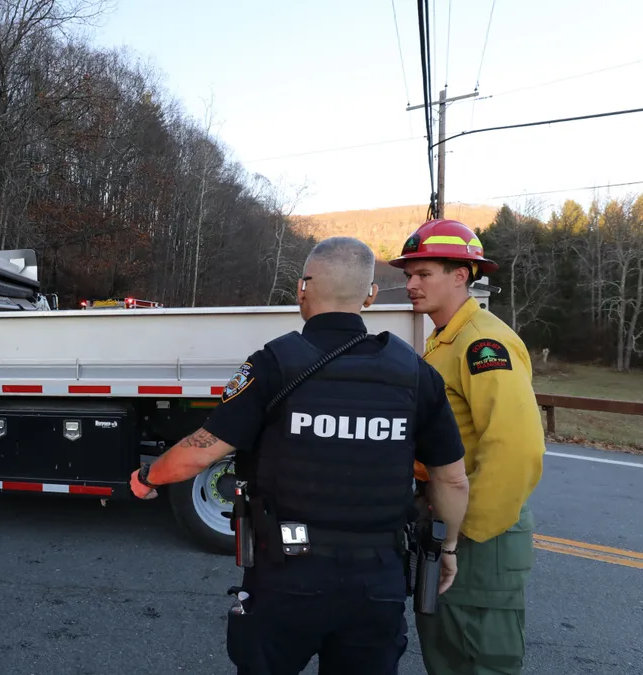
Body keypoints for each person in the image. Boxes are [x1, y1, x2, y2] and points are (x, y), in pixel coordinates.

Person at [129, 237, 471, 675]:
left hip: (286, 574)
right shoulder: (415, 373)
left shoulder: (274, 363)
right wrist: (448, 547)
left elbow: (200, 453)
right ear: (368, 295)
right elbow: (453, 480)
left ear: (302, 289)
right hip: (377, 580)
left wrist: (147, 477)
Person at [389, 219, 546, 675]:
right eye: (409, 275)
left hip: (478, 533)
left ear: (461, 275)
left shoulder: (482, 341)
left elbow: (515, 447)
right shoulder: (445, 339)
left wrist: (460, 532)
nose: (411, 285)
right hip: (446, 522)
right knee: (446, 653)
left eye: (424, 274)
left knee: (475, 659)